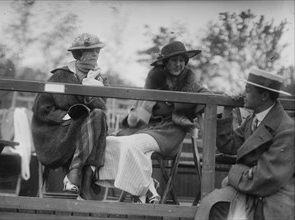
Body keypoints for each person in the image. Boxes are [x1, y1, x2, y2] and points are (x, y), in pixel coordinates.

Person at [96, 41, 210, 203]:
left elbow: (207, 95)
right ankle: (148, 185)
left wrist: (226, 100)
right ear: (165, 62)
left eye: (181, 60)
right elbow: (141, 116)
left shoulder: (190, 82)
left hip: (171, 131)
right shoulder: (154, 79)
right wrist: (139, 114)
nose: (179, 64)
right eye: (174, 60)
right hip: (148, 128)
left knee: (133, 146)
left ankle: (146, 190)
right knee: (109, 142)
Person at [195, 67, 294, 220]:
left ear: (264, 96)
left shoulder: (287, 129)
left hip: (273, 198)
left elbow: (266, 178)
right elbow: (229, 145)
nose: (242, 95)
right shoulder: (255, 119)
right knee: (211, 203)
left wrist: (233, 174)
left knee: (221, 207)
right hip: (249, 189)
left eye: (248, 90)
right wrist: (228, 109)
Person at [31, 33, 109, 200]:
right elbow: (40, 109)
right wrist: (66, 117)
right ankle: (84, 183)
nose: (96, 54)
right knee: (88, 122)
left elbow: (103, 109)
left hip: (85, 134)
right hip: (57, 134)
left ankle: (76, 172)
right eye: (91, 51)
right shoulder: (60, 76)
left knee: (98, 115)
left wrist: (90, 90)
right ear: (79, 54)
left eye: (97, 51)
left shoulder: (100, 79)